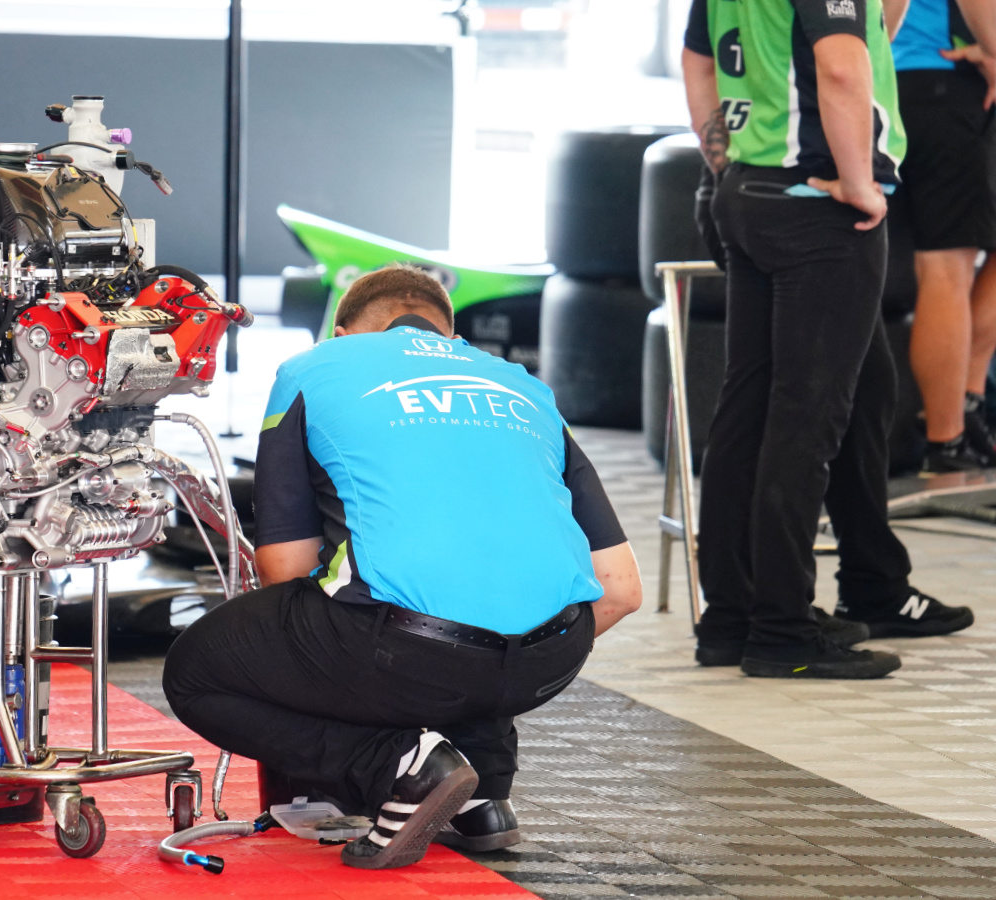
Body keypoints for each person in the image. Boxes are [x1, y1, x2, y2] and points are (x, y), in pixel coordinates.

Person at [161, 266, 642, 869]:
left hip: (409, 652)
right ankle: (484, 797)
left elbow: (285, 567)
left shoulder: (313, 370)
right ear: (450, 336)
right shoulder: (525, 388)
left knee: (197, 671)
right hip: (553, 660)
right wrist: (503, 651)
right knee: (464, 616)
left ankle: (400, 767)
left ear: (341, 333)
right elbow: (622, 591)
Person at [682, 0, 973, 680]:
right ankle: (782, 628)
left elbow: (700, 62)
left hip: (749, 189)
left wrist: (723, 159)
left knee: (752, 410)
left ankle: (731, 617)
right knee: (804, 421)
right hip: (816, 204)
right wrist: (860, 183)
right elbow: (843, 68)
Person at [894, 0, 996, 472]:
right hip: (939, 76)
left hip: (918, 82)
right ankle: (945, 439)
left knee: (948, 264)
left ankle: (967, 400)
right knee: (944, 267)